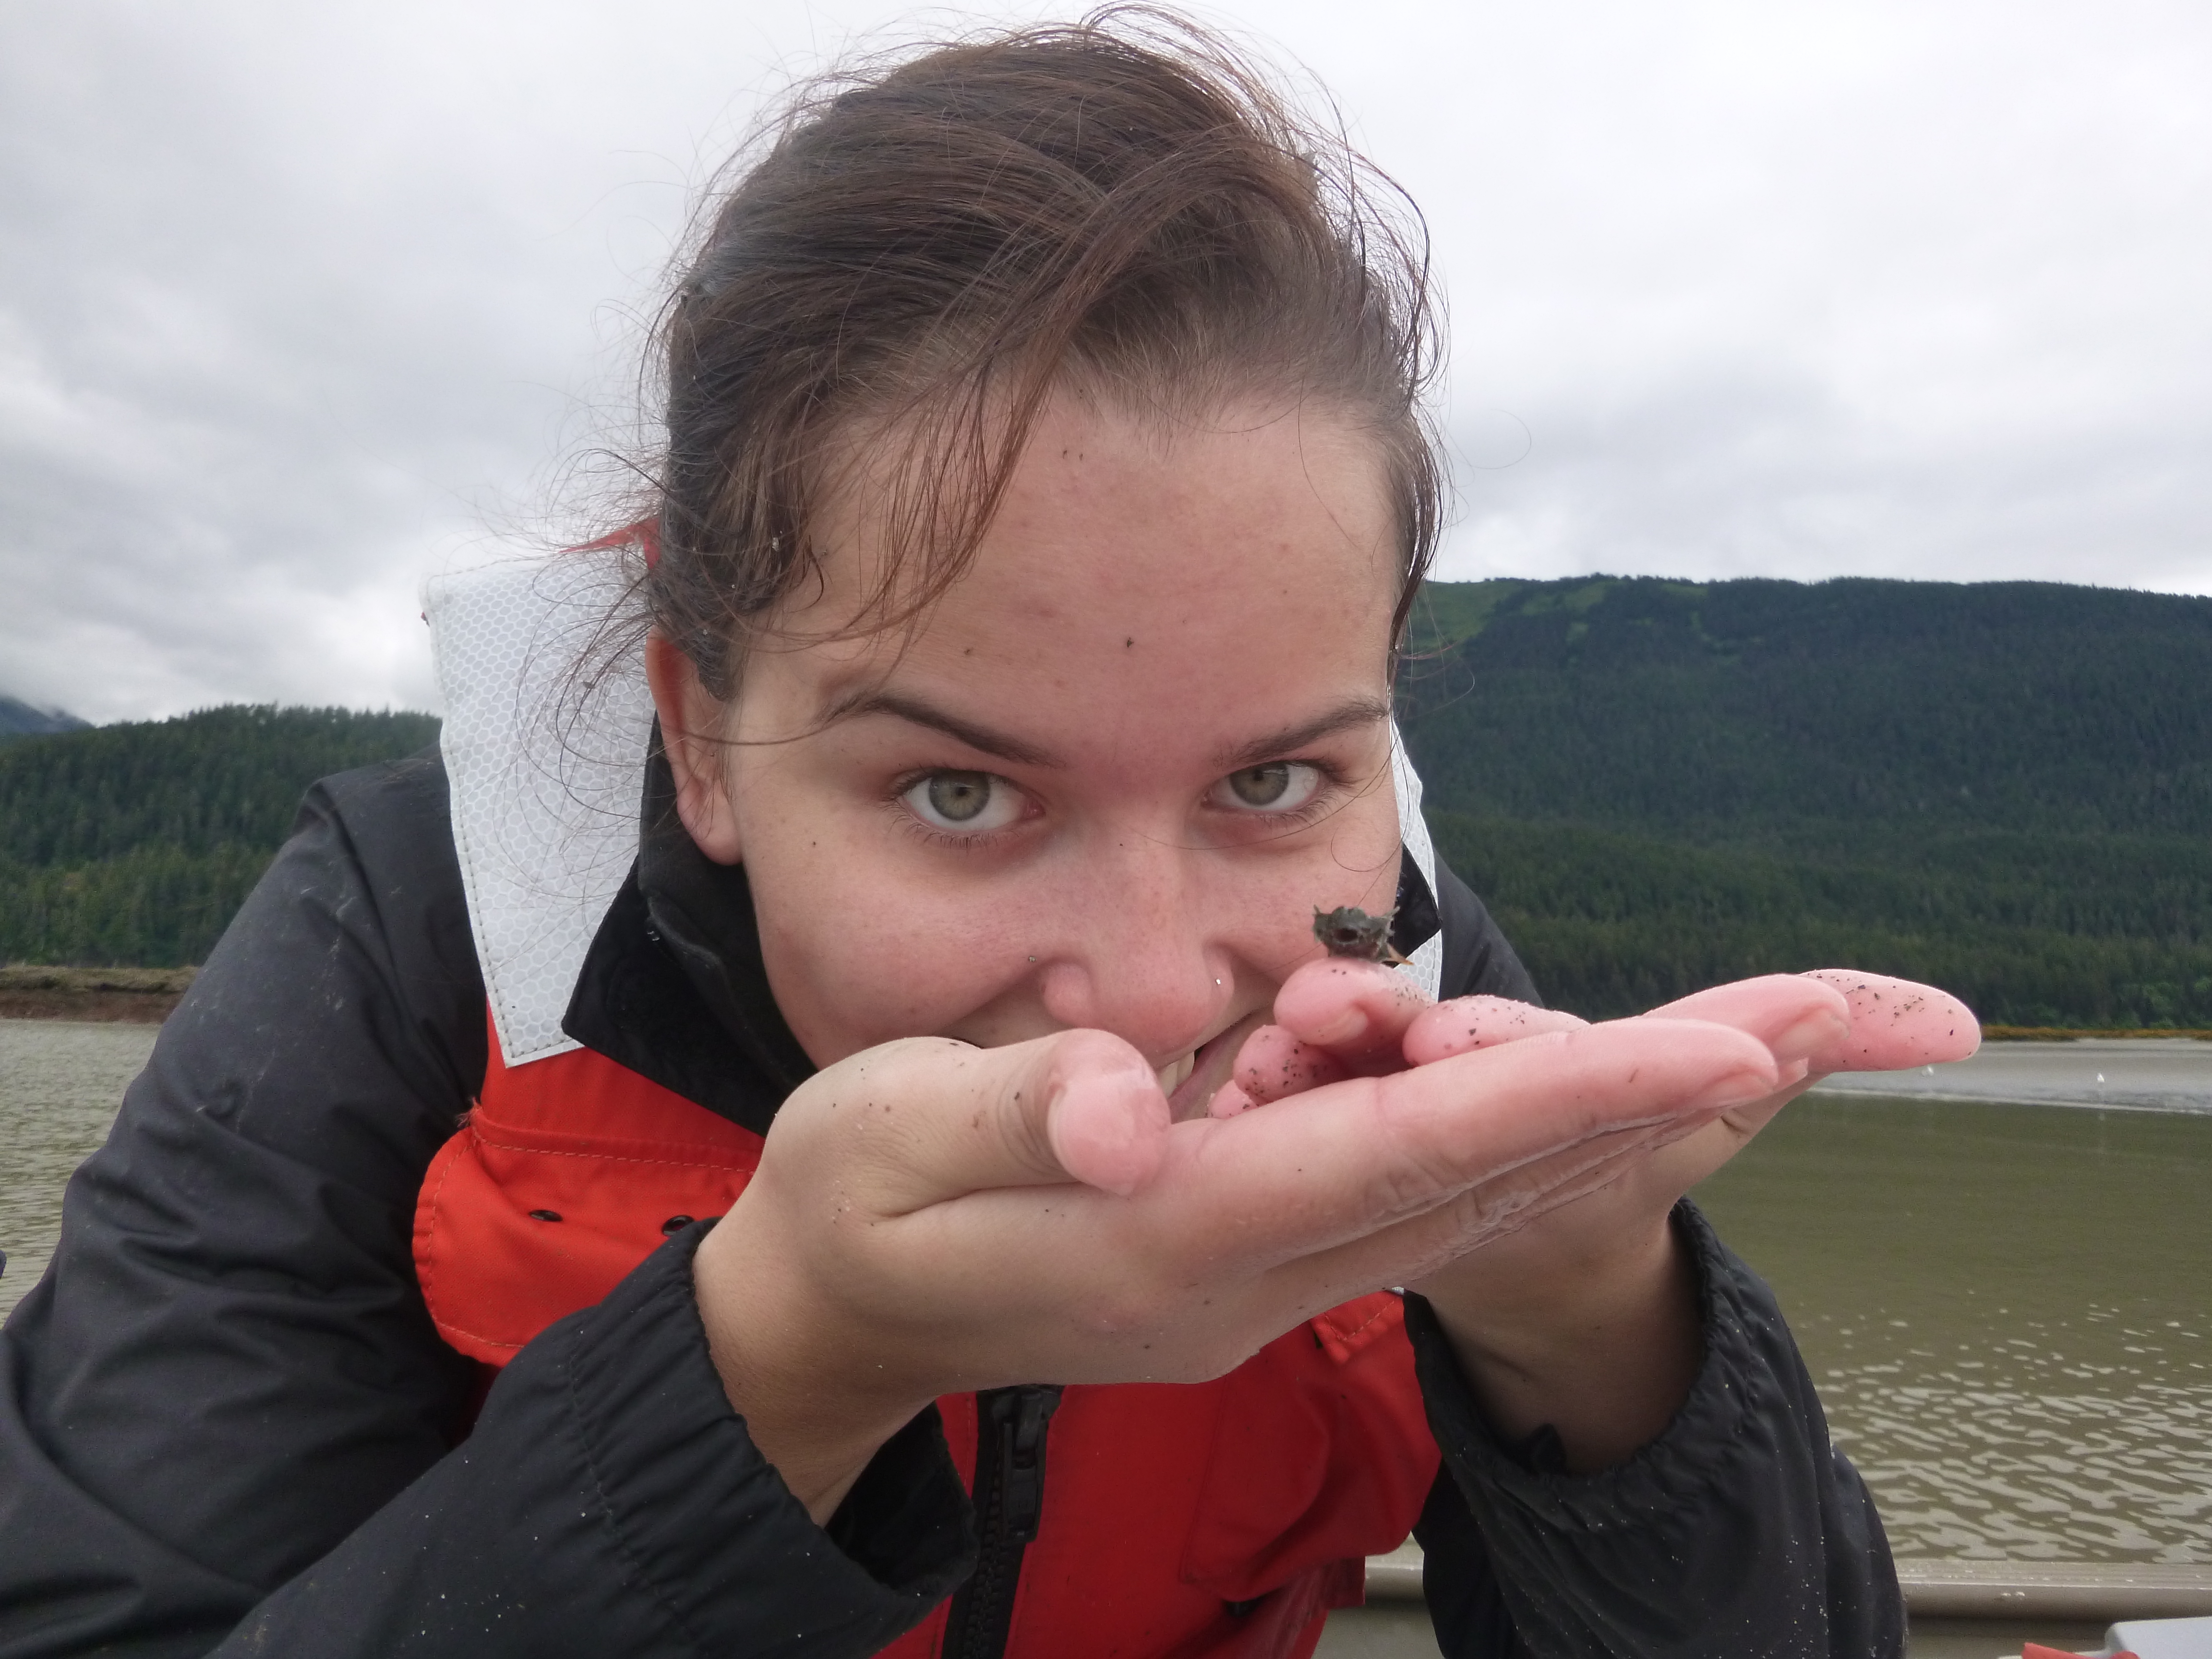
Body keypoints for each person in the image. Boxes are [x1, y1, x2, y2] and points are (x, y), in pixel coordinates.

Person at [0, 13, 1977, 1658]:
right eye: (962, 792)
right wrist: (774, 1377)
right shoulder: (400, 954)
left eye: (1273, 781)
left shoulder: (1406, 979)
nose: (1139, 989)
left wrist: (1595, 1327)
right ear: (700, 737)